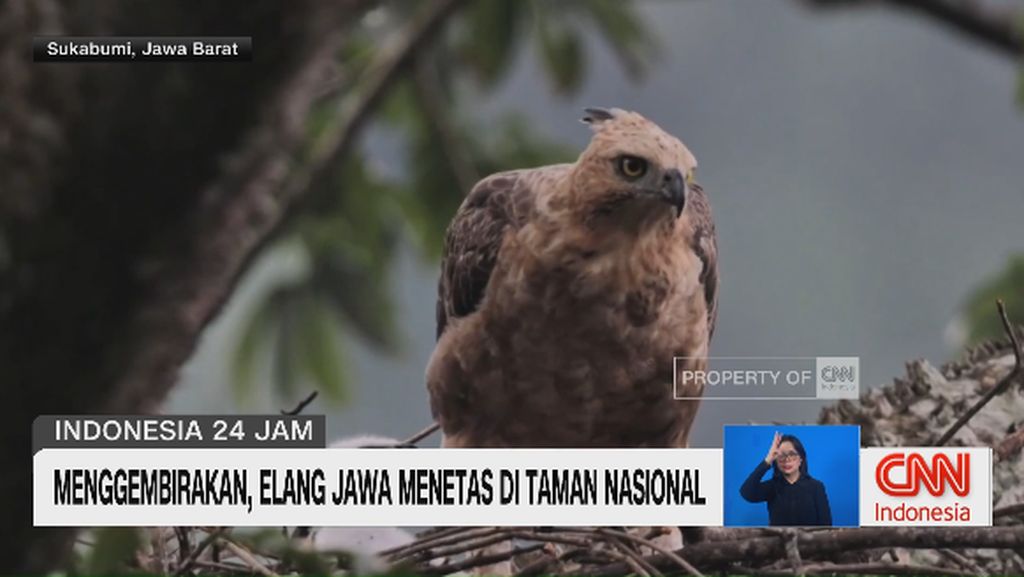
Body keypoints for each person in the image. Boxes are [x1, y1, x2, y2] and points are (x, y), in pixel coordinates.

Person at [739, 431, 832, 526]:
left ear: (801, 459)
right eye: (781, 455)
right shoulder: (772, 486)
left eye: (792, 454)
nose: (787, 460)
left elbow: (826, 525)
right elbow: (746, 492)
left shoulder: (816, 487)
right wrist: (768, 459)